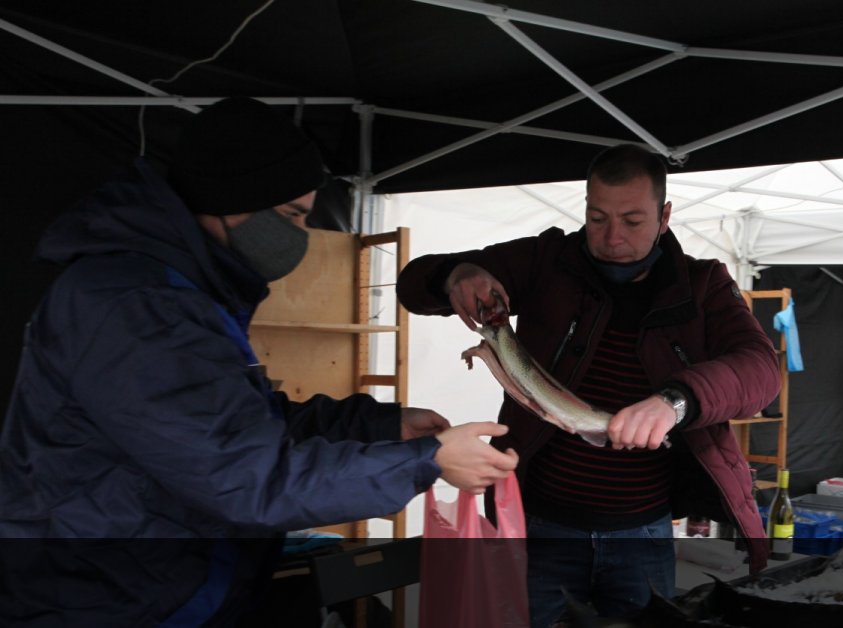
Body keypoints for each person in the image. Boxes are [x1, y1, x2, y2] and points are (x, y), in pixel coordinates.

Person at [0, 97, 518, 626]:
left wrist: (383, 426)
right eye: (292, 215)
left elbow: (238, 423)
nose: (300, 234)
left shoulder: (178, 291)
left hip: (151, 582)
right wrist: (425, 460)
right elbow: (245, 477)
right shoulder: (140, 307)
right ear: (233, 199)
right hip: (103, 600)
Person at [396, 144, 780, 626]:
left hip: (643, 535)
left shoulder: (702, 286)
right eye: (597, 218)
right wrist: (457, 273)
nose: (611, 237)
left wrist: (674, 403)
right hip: (536, 528)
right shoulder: (547, 262)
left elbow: (762, 370)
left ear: (664, 216)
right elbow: (413, 284)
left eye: (632, 221)